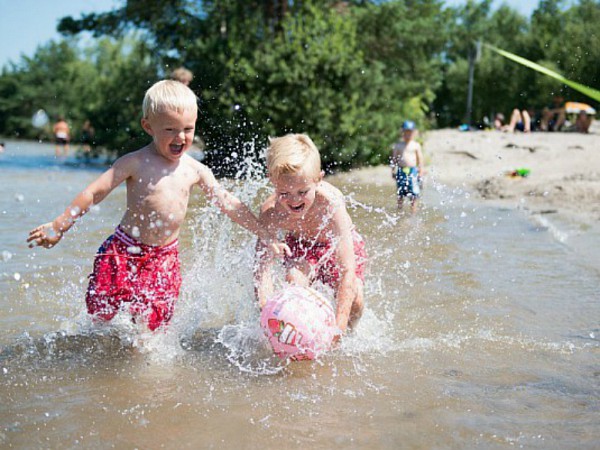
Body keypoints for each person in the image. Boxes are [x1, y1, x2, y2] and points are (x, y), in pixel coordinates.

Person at [28, 80, 285, 331]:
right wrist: (61, 224)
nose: (180, 137)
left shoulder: (195, 170)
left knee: (150, 333)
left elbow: (228, 203)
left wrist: (264, 232)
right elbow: (95, 192)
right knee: (102, 323)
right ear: (148, 126)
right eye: (170, 130)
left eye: (187, 129)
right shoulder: (135, 162)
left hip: (164, 260)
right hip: (123, 252)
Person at [253, 133, 367, 339]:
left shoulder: (331, 204)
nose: (294, 200)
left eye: (302, 191)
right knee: (294, 280)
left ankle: (350, 336)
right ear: (272, 182)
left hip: (336, 246)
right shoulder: (271, 212)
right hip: (300, 244)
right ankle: (302, 335)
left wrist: (337, 332)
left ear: (318, 180)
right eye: (284, 193)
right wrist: (266, 313)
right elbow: (262, 270)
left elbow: (347, 270)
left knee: (355, 300)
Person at [390, 120, 424, 212]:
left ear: (414, 133)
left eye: (410, 133)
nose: (408, 135)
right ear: (402, 133)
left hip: (413, 171)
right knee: (400, 193)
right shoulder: (398, 146)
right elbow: (394, 159)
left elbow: (420, 160)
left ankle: (413, 212)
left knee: (414, 194)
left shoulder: (416, 145)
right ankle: (399, 211)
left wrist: (421, 172)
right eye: (406, 132)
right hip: (401, 170)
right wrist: (393, 170)